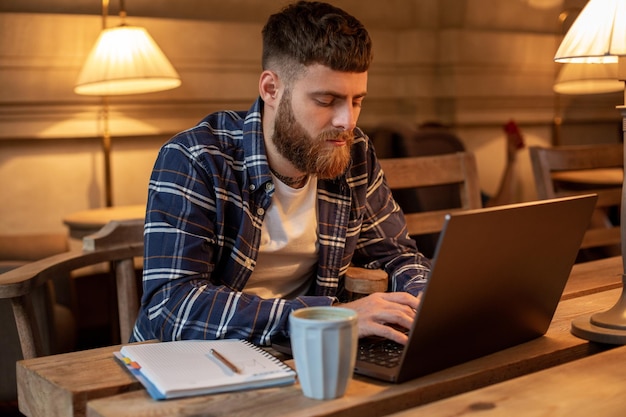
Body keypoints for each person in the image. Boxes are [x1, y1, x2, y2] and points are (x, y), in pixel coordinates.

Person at [130, 1, 431, 347]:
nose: (347, 121)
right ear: (271, 89)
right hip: (195, 364)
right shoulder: (195, 159)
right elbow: (173, 307)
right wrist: (330, 318)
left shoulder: (355, 152)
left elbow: (395, 255)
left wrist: (422, 301)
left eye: (356, 100)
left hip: (301, 352)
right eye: (326, 100)